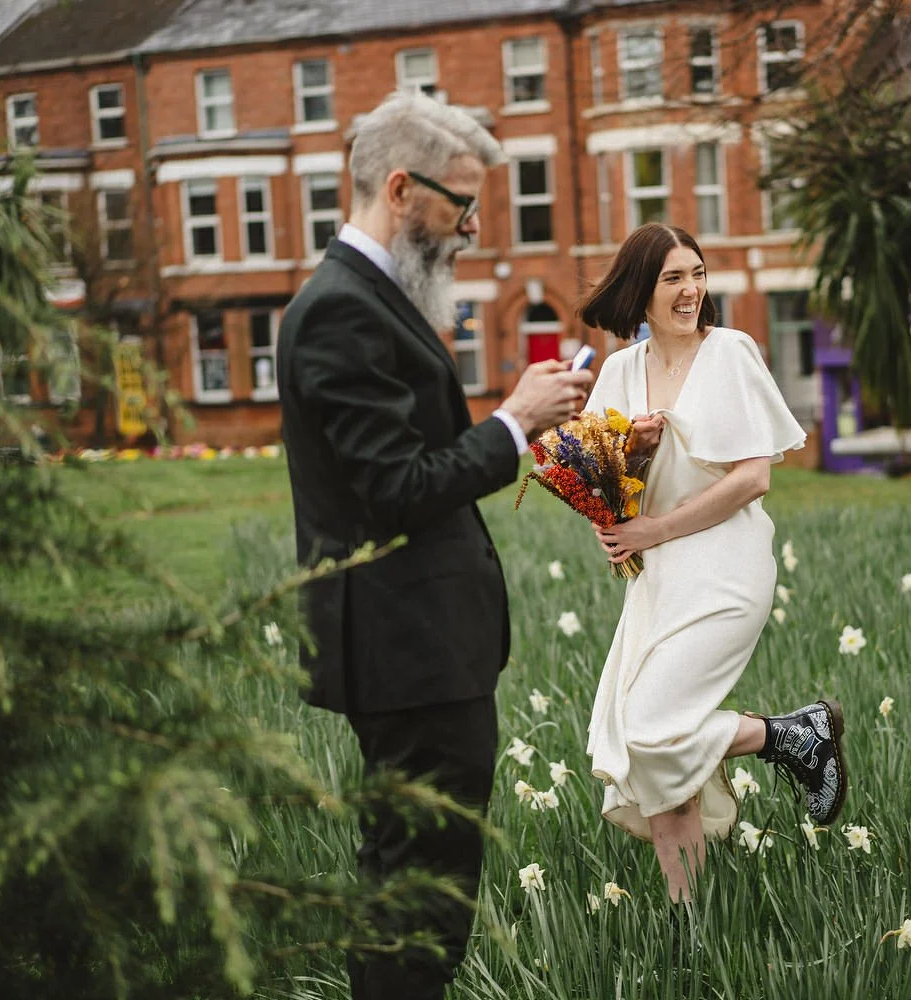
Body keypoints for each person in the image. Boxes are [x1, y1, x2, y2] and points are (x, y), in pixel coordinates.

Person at [276, 91, 594, 999]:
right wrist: (514, 423)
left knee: (416, 892)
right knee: (419, 905)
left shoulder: (376, 299)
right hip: (405, 653)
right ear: (401, 189)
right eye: (461, 204)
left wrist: (516, 419)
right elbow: (397, 490)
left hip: (419, 647)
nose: (472, 227)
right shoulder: (342, 310)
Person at [578, 223, 849, 903]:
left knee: (651, 729)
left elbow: (753, 478)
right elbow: (600, 491)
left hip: (727, 565)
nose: (690, 290)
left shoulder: (729, 352)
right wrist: (632, 459)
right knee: (650, 751)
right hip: (656, 580)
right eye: (673, 278)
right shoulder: (618, 373)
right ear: (641, 290)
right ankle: (688, 923)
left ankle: (785, 737)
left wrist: (655, 529)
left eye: (697, 274)